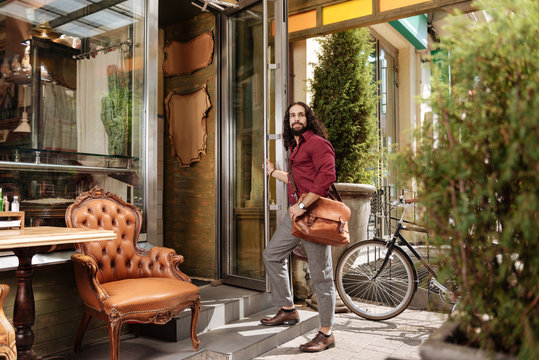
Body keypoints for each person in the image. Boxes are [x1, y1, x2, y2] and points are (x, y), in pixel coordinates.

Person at [261, 101, 336, 352]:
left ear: (308, 118)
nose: (296, 119)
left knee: (321, 276)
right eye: (292, 115)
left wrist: (302, 207)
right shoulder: (295, 146)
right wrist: (273, 173)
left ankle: (326, 333)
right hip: (296, 215)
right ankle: (288, 309)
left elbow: (326, 177)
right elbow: (298, 179)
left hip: (313, 215)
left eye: (300, 115)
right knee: (272, 254)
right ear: (288, 121)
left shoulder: (317, 143)